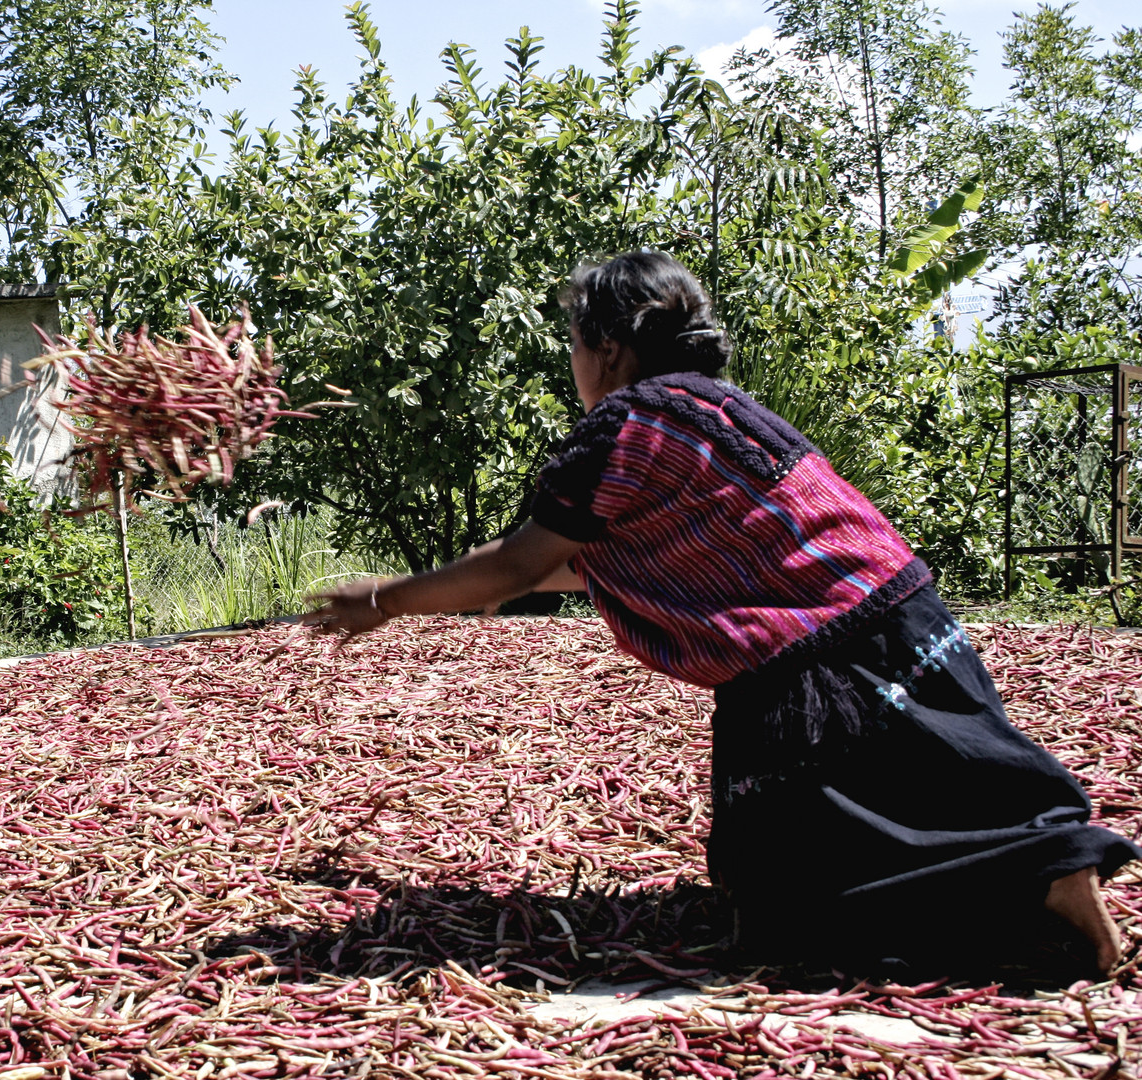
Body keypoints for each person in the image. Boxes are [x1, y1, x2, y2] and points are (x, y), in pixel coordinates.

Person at [307, 250, 1140, 973]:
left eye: (573, 342)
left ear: (607, 345)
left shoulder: (620, 430)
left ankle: (1037, 880)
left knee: (795, 893)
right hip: (907, 620)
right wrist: (472, 590)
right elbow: (617, 565)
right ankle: (1046, 866)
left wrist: (384, 600)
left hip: (819, 667)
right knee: (947, 787)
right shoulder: (714, 407)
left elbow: (522, 564)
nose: (573, 361)